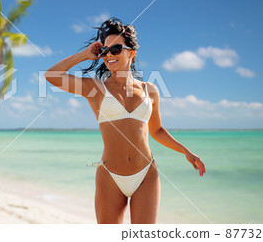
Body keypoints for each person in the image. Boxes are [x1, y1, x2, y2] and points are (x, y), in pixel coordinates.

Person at [44, 17, 206, 224]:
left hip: (146, 174)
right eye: (105, 51)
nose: (109, 55)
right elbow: (52, 75)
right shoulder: (95, 89)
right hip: (110, 176)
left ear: (132, 52)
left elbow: (156, 131)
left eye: (116, 49)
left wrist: (185, 151)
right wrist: (85, 55)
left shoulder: (150, 90)